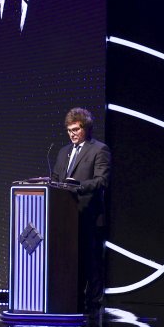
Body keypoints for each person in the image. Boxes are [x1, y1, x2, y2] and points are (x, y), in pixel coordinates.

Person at [52, 107, 110, 313]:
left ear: (86, 128)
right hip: (67, 219)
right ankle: (72, 304)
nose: (72, 133)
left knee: (92, 264)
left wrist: (77, 185)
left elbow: (101, 181)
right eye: (69, 130)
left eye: (76, 129)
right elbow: (56, 182)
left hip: (90, 218)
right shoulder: (62, 152)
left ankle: (94, 311)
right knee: (70, 264)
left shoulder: (99, 149)